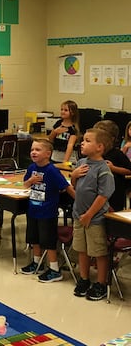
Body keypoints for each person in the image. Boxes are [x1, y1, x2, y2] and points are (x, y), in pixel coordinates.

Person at [20, 139, 74, 282]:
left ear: (48, 154)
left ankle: (54, 268)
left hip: (47, 212)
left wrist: (78, 199)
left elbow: (66, 187)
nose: (33, 152)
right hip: (33, 209)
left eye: (38, 150)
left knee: (48, 241)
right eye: (32, 149)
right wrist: (30, 181)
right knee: (34, 238)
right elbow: (25, 185)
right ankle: (37, 262)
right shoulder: (31, 168)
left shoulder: (52, 170)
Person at [70, 128, 115, 301]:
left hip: (94, 218)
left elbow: (103, 196)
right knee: (82, 249)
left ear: (99, 147)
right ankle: (84, 278)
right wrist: (73, 176)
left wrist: (89, 214)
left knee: (98, 252)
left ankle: (101, 283)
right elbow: (75, 186)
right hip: (78, 215)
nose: (82, 142)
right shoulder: (81, 162)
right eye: (83, 140)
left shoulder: (103, 170)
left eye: (88, 141)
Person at [93, 120, 131, 211]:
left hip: (114, 195)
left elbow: (129, 170)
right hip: (96, 192)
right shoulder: (93, 153)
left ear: (112, 138)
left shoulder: (117, 154)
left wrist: (113, 168)